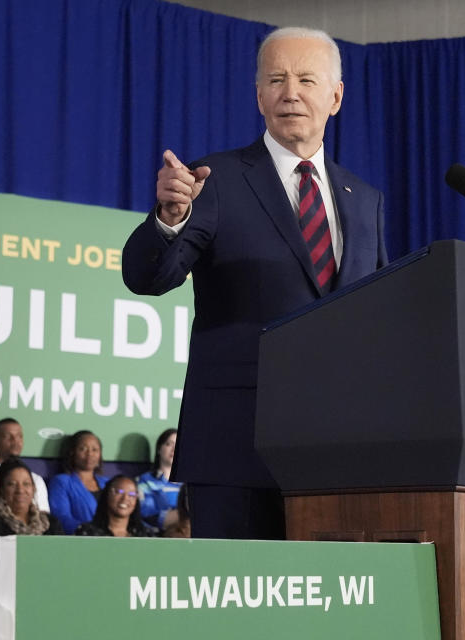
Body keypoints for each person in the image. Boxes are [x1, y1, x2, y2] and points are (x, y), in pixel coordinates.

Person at [122, 26, 388, 539]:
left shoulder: (364, 199)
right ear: (259, 94)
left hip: (341, 451)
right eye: (277, 79)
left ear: (335, 97)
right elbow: (148, 276)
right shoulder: (214, 180)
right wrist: (169, 218)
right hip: (236, 446)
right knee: (237, 613)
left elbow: (375, 319)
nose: (291, 92)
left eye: (307, 80)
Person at [0, 457, 63, 576]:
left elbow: (61, 562)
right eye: (12, 484)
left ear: (34, 489)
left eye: (26, 484)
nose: (20, 490)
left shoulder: (51, 524)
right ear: (2, 490)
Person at [47, 430, 109, 533]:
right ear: (72, 452)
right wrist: (86, 530)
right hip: (81, 540)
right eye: (83, 449)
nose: (90, 454)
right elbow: (61, 517)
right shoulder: (61, 482)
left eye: (95, 450)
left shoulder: (108, 483)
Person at [75, 475, 156, 538]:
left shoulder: (146, 535)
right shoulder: (87, 533)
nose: (125, 498)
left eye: (131, 494)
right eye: (119, 492)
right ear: (107, 495)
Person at [136, 428, 182, 529]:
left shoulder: (189, 484)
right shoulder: (146, 480)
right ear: (159, 449)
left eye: (178, 445)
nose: (174, 449)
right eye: (169, 444)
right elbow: (147, 515)